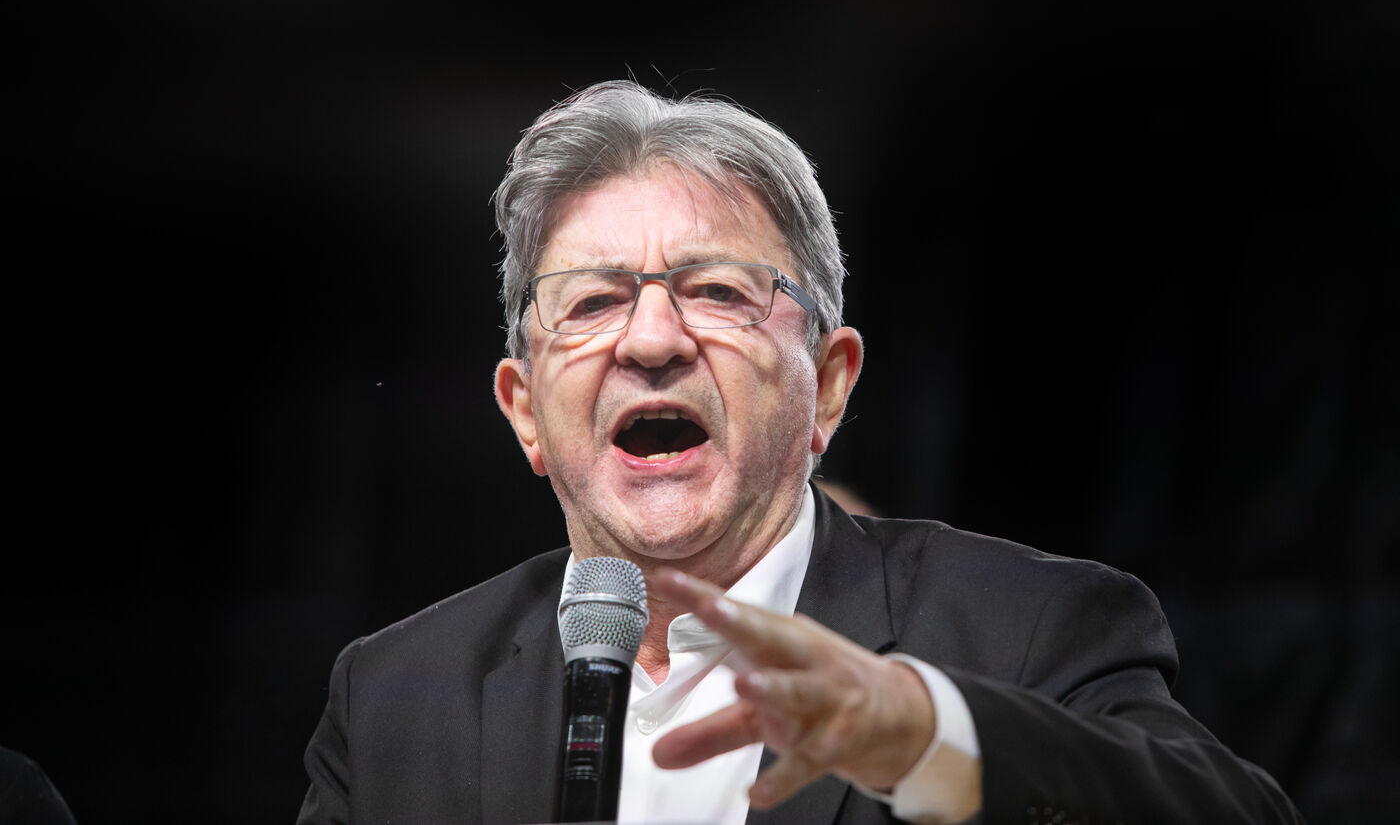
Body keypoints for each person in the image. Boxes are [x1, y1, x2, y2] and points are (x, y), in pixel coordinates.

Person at [297, 81, 1303, 824]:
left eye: (718, 291)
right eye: (594, 301)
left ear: (827, 383)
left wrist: (920, 735)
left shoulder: (1030, 630)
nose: (652, 340)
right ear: (524, 411)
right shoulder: (393, 696)